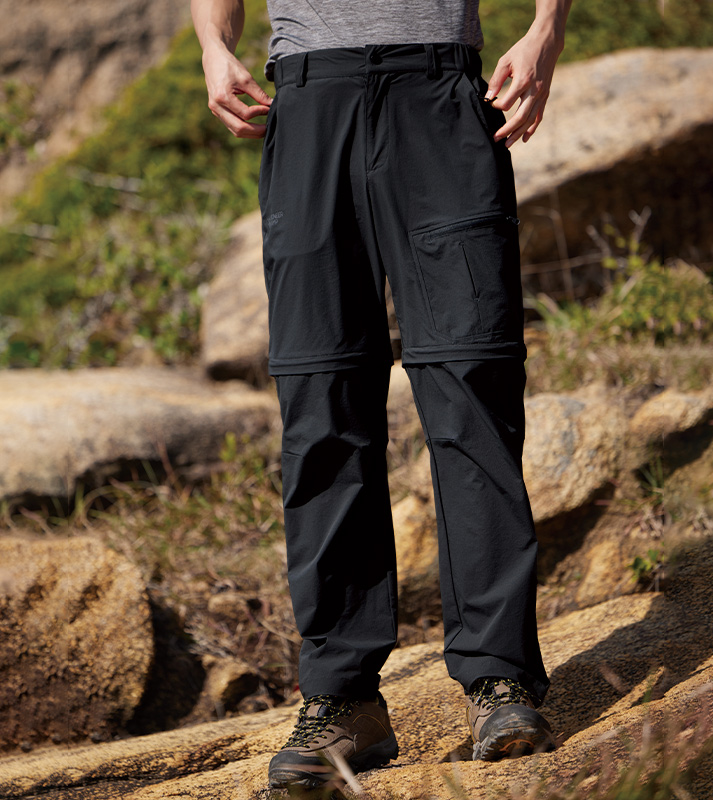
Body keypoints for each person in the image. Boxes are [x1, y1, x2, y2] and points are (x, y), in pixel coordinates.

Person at [191, 0, 572, 789]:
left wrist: (546, 28)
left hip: (439, 91)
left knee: (471, 389)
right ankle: (343, 699)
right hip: (309, 99)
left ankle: (499, 679)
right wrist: (212, 44)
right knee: (321, 402)